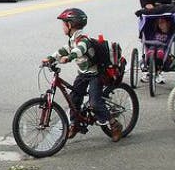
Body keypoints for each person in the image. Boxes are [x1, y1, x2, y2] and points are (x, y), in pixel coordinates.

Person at [42, 8, 122, 142]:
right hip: (83, 74)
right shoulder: (72, 40)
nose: (62, 27)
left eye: (63, 24)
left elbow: (79, 50)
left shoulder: (83, 40)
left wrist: (70, 57)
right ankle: (76, 124)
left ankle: (114, 124)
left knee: (95, 103)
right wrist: (50, 58)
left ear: (70, 25)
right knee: (74, 99)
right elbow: (62, 50)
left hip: (95, 75)